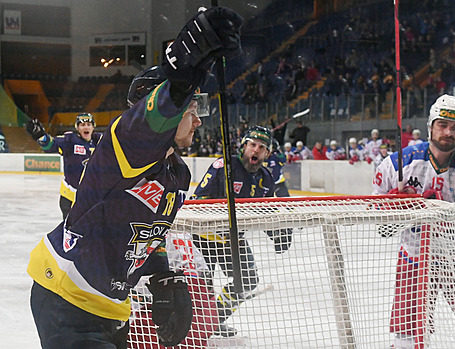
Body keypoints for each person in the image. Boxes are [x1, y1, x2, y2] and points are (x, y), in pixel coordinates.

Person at [27, 7, 243, 349]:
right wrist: (184, 73)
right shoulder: (126, 148)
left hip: (111, 306)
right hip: (67, 297)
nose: (198, 121)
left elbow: (148, 232)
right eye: (191, 110)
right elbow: (147, 122)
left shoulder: (177, 173)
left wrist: (160, 277)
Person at [372, 94, 455, 349]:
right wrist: (395, 206)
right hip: (414, 256)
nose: (448, 132)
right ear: (430, 125)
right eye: (442, 125)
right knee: (406, 340)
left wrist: (448, 220)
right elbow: (383, 227)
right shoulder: (396, 166)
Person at [191, 125, 292, 337]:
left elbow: (264, 211)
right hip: (203, 238)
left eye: (261, 147)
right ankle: (191, 326)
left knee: (246, 280)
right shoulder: (223, 166)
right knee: (200, 287)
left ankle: (212, 321)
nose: (255, 150)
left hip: (233, 240)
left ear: (267, 153)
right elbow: (198, 202)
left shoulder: (266, 177)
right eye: (252, 145)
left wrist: (277, 232)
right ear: (244, 146)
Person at [25, 112, 102, 219]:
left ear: (93, 127)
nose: (86, 127)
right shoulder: (70, 140)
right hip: (69, 197)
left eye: (89, 124)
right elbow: (52, 146)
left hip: (92, 198)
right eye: (82, 125)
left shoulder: (100, 141)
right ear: (77, 127)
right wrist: (41, 136)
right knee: (70, 231)